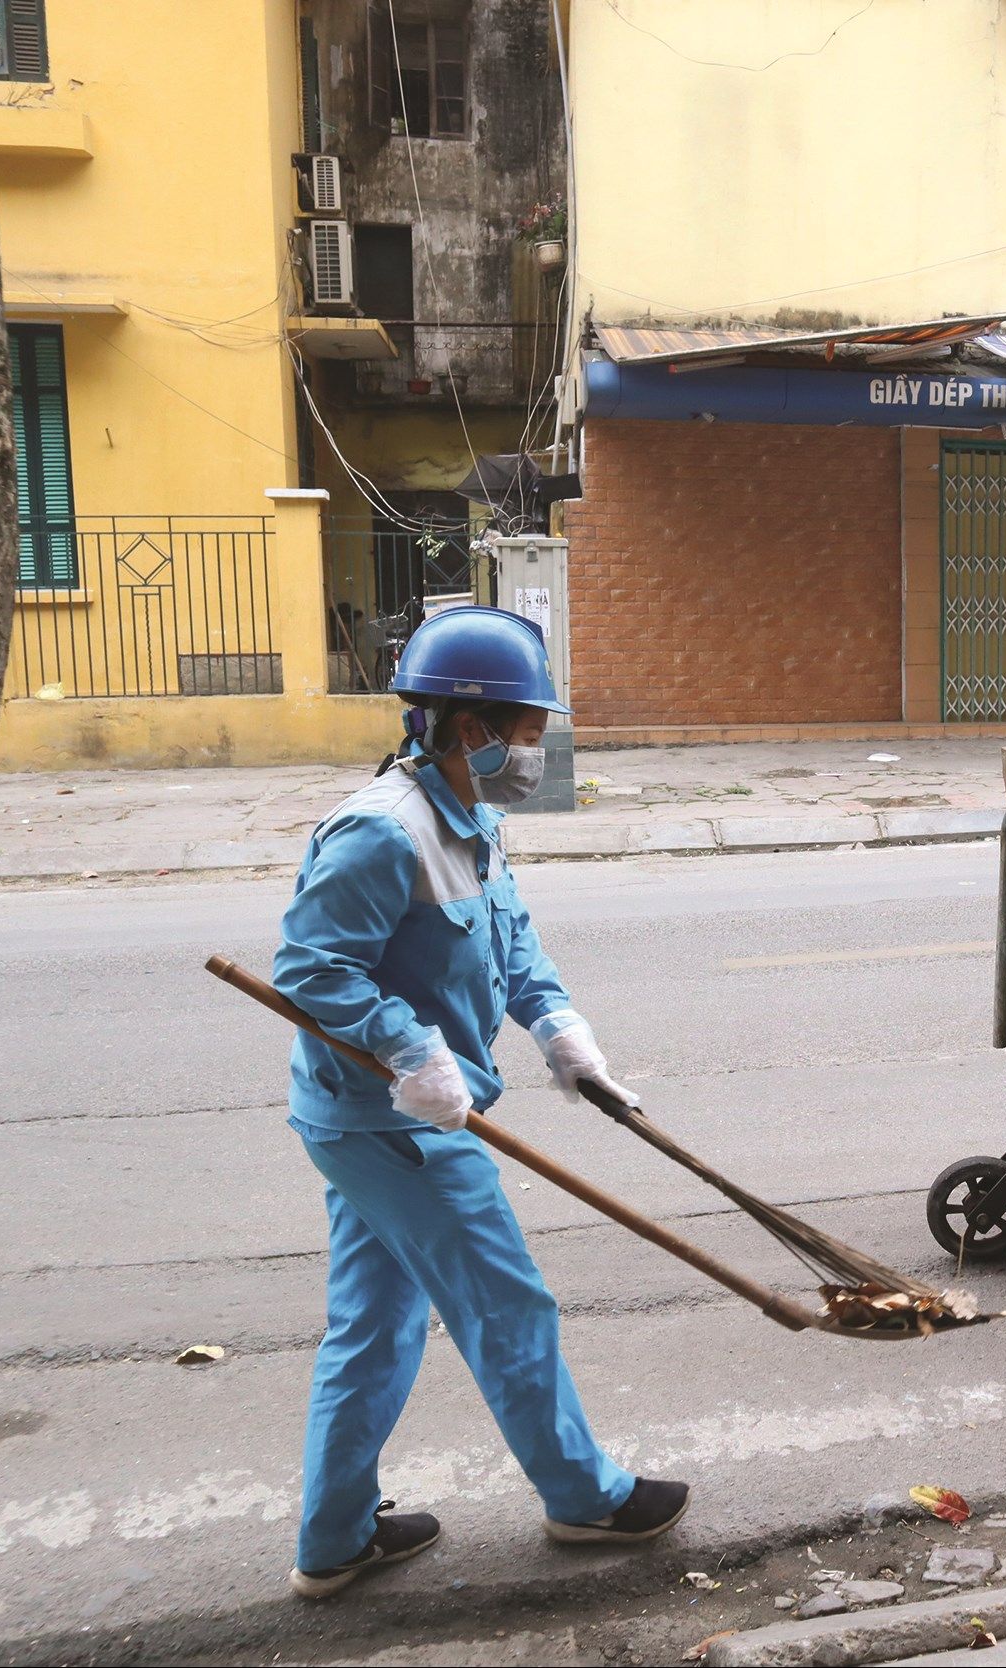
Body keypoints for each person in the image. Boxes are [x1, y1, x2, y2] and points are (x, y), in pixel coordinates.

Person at [272, 605, 687, 1599]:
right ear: (471, 729)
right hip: (394, 1122)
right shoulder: (382, 834)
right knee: (507, 1305)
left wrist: (558, 1031)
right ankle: (584, 1496)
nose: (537, 752)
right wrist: (409, 1048)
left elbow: (509, 943)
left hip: (385, 1122)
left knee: (373, 1327)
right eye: (530, 732)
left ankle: (332, 1540)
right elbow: (306, 968)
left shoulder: (471, 817)